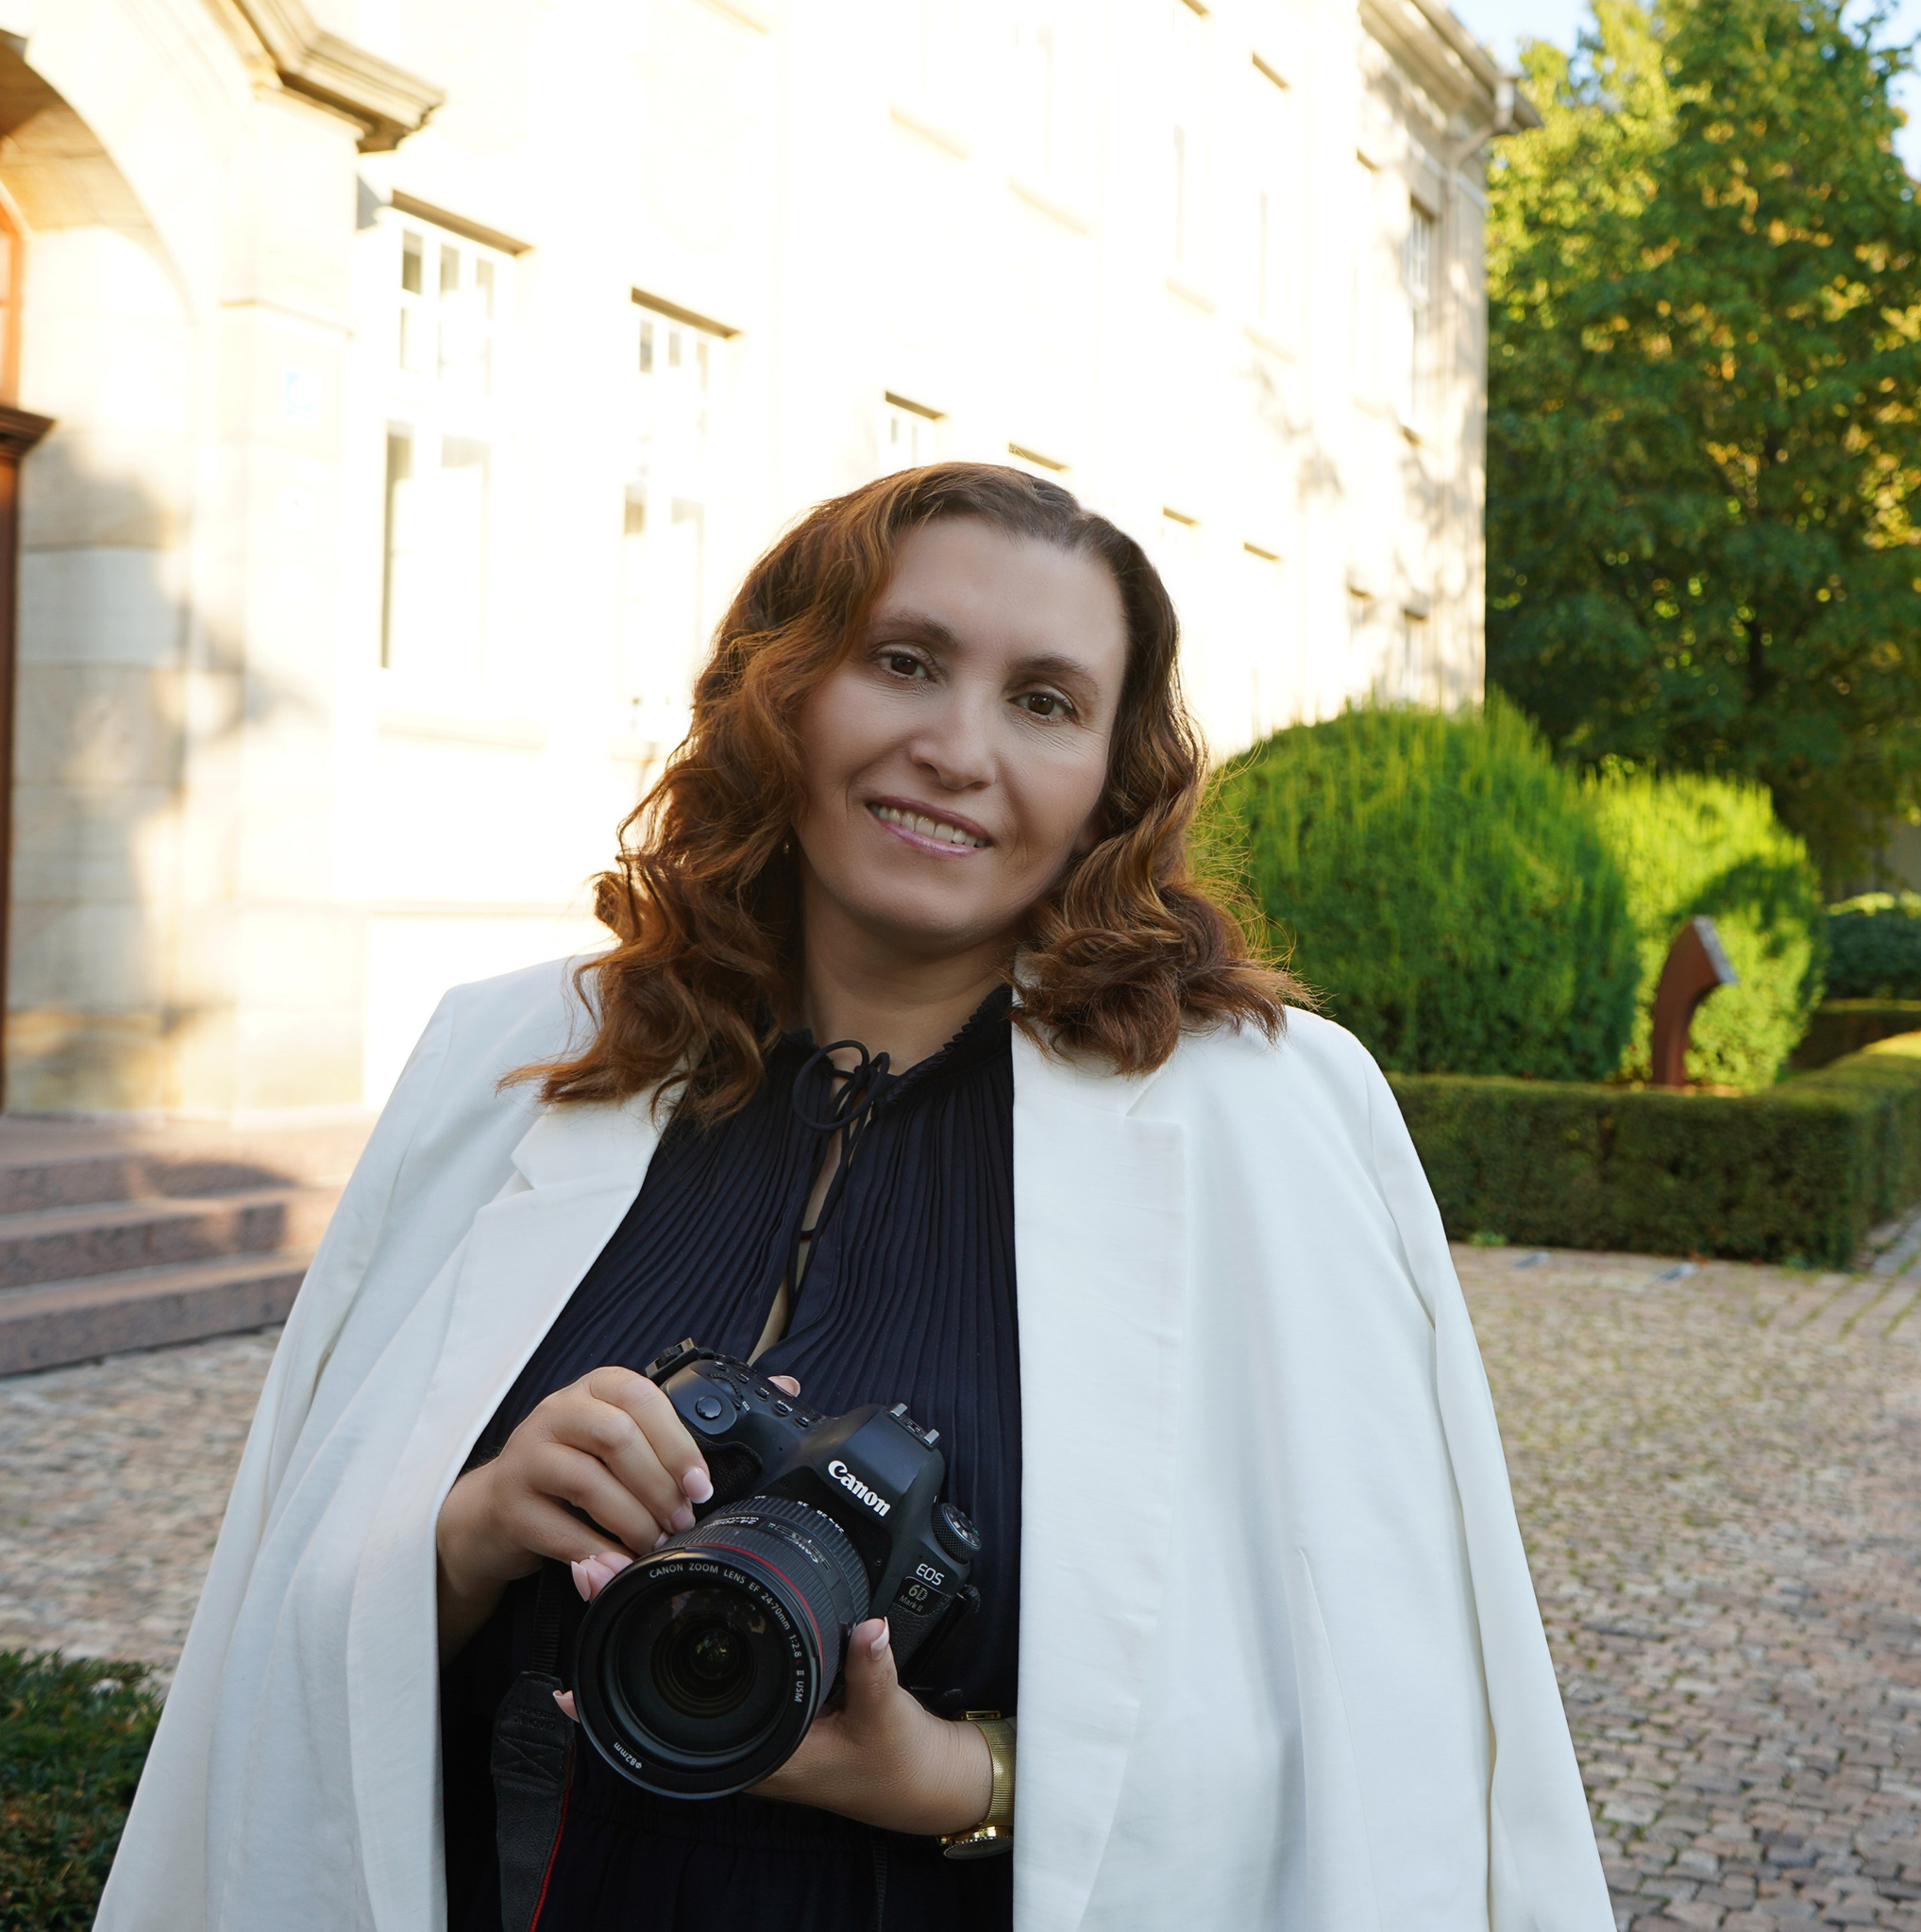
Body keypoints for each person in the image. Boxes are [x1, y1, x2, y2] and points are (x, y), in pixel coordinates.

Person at [96, 463, 1614, 1932]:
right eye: (905, 661)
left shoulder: (1258, 1116)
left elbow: (1367, 1717)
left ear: (1109, 780)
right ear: (786, 687)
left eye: (1044, 701)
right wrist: (474, 1530)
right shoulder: (513, 1062)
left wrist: (962, 1778)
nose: (959, 749)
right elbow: (280, 1648)